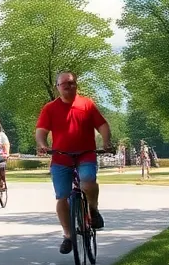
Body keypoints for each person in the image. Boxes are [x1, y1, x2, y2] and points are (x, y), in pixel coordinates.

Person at [35, 71, 112, 255]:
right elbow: (41, 131)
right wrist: (43, 145)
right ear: (58, 87)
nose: (69, 86)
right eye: (64, 84)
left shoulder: (87, 104)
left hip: (86, 154)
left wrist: (106, 141)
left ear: (76, 85)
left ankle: (93, 210)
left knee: (87, 182)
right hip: (61, 157)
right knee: (62, 197)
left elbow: (102, 125)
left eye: (72, 83)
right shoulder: (50, 108)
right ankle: (68, 235)